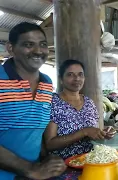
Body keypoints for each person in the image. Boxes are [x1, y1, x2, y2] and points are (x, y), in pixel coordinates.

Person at [0, 22, 66, 180]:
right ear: (11, 48)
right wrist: (29, 169)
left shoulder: (47, 83)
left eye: (43, 44)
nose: (38, 51)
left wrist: (47, 160)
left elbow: (34, 132)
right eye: (28, 44)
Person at [44, 60, 116, 159]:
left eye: (80, 74)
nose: (77, 78)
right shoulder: (53, 102)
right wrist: (84, 132)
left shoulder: (89, 103)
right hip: (63, 165)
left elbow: (95, 131)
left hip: (92, 160)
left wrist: (104, 132)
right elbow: (50, 144)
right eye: (70, 75)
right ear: (61, 79)